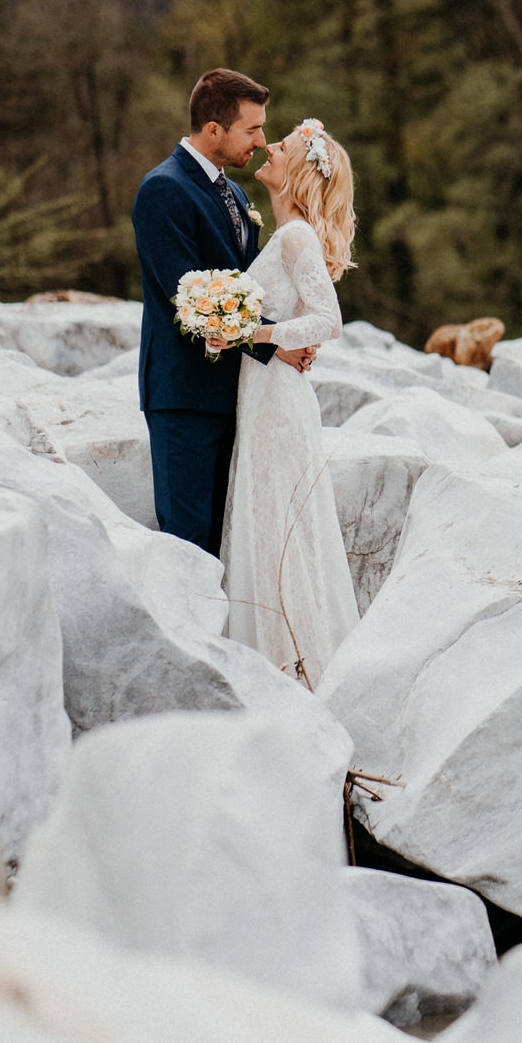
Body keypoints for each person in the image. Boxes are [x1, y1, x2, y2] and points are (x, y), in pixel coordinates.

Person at [132, 69, 317, 555]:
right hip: (185, 395)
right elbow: (190, 298)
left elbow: (249, 286)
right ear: (214, 129)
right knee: (187, 543)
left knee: (225, 542)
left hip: (233, 393)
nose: (261, 140)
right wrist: (276, 340)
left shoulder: (234, 194)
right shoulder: (163, 189)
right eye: (251, 129)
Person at [219, 118, 360, 689]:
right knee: (269, 526)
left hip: (278, 404)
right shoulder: (284, 234)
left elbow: (329, 321)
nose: (268, 147)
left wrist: (249, 334)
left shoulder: (297, 235)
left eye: (283, 146)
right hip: (267, 394)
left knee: (278, 531)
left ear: (297, 171)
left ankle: (289, 675)